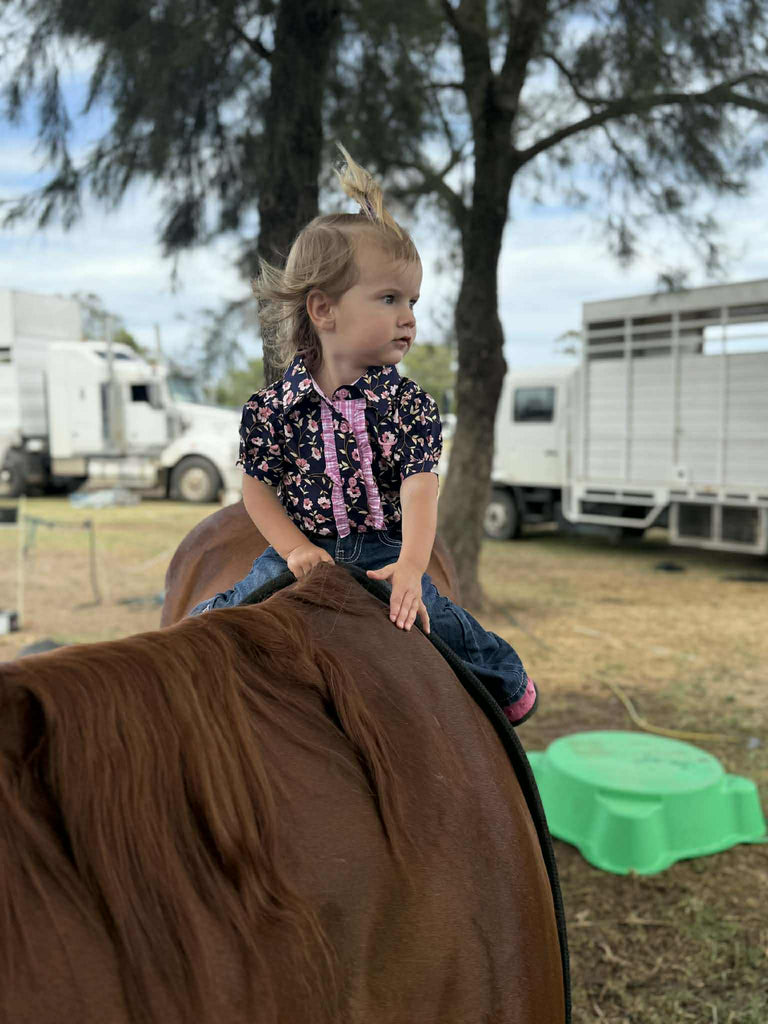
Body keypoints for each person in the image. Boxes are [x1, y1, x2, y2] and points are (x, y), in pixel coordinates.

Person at [188, 144, 537, 726]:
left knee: (444, 619)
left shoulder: (408, 405)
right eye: (389, 299)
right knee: (226, 612)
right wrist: (297, 549)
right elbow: (258, 489)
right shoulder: (272, 409)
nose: (409, 317)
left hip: (382, 549)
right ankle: (183, 660)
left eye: (413, 301)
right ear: (324, 310)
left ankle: (509, 685)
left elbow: (420, 490)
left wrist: (410, 564)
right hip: (304, 548)